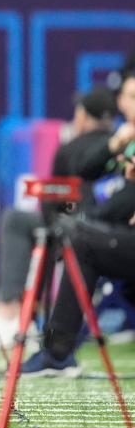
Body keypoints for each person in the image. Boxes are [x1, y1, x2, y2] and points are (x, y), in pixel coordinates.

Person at [0, 86, 118, 354]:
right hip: (114, 234)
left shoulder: (71, 149)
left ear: (85, 117)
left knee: (20, 222)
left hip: (84, 236)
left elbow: (51, 208)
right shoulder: (125, 145)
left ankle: (11, 312)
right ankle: (22, 314)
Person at [21, 72, 135, 375]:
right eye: (128, 96)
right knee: (78, 236)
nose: (129, 104)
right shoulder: (124, 139)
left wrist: (88, 221)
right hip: (120, 231)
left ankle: (56, 351)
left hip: (117, 231)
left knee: (79, 236)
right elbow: (85, 169)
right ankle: (55, 348)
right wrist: (114, 144)